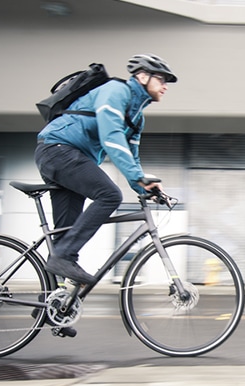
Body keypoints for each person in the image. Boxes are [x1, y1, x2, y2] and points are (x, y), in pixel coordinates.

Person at [35, 53, 178, 285]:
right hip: (57, 150)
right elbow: (111, 137)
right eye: (161, 79)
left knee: (63, 242)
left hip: (70, 158)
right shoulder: (116, 91)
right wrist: (138, 177)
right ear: (142, 76)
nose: (165, 86)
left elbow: (132, 157)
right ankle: (63, 258)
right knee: (110, 195)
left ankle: (53, 311)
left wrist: (144, 186)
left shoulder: (137, 117)